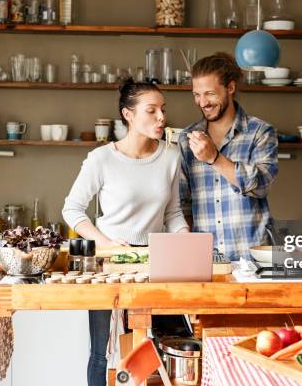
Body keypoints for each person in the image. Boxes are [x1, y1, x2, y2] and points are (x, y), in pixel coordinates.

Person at [62, 79, 188, 386]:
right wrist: (104, 243)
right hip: (107, 262)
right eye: (151, 110)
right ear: (128, 115)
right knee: (101, 351)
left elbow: (172, 214)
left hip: (153, 262)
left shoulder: (171, 157)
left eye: (163, 109)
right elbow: (72, 209)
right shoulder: (102, 158)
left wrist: (188, 242)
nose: (161, 117)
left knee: (160, 342)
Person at [178, 52, 279, 259]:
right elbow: (184, 203)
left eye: (210, 93)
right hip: (205, 258)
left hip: (253, 257)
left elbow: (261, 185)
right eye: (196, 94)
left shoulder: (260, 132)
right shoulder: (187, 139)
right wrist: (188, 251)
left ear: (230, 88)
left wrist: (215, 158)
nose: (202, 102)